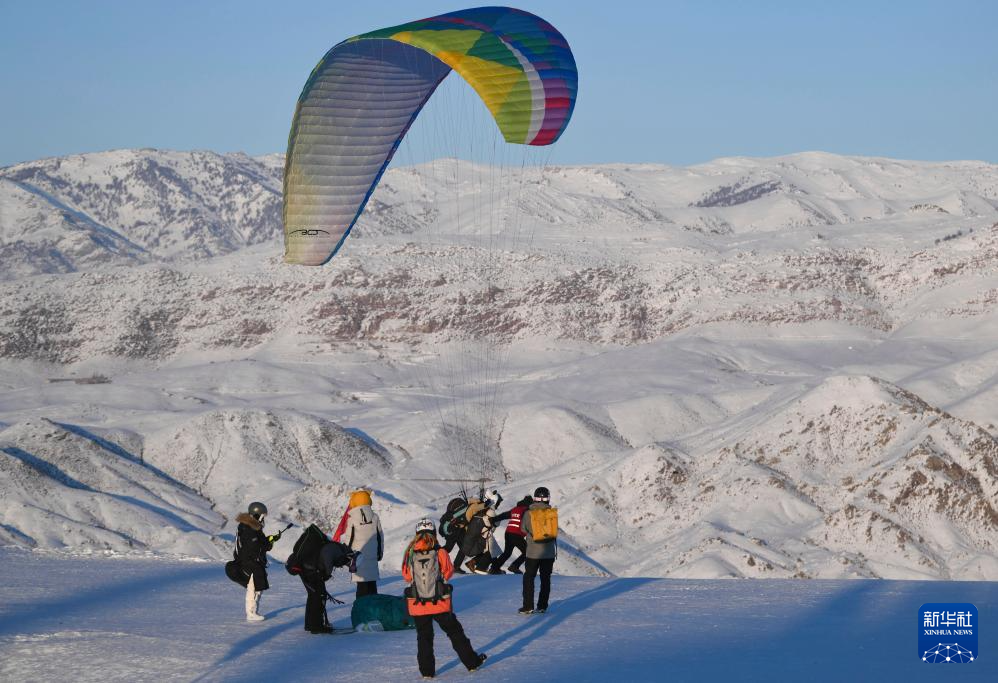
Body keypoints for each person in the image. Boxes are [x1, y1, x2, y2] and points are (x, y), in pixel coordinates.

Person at [402, 518, 487, 678]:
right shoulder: (440, 552)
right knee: (455, 632)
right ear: (434, 533)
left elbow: (406, 576)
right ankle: (472, 663)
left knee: (424, 636)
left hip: (418, 603)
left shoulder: (410, 552)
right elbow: (448, 571)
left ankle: (427, 672)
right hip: (439, 601)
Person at [235, 501, 277, 622]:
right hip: (249, 562)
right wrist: (267, 543)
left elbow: (262, 544)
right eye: (262, 516)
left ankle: (253, 611)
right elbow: (256, 547)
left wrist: (271, 540)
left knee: (257, 587)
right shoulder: (248, 528)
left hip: (253, 562)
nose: (263, 519)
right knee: (253, 587)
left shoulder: (253, 527)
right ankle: (251, 613)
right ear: (257, 515)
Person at [519, 487, 557, 615]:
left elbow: (523, 530)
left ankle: (528, 606)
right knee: (545, 579)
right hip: (549, 553)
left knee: (529, 578)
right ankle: (542, 606)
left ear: (535, 498)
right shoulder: (551, 513)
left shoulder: (528, 513)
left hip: (533, 553)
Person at [341, 489, 384, 598]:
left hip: (358, 559)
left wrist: (346, 557)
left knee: (362, 588)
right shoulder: (375, 517)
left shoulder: (352, 520)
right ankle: (373, 612)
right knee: (372, 588)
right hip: (372, 557)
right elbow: (380, 538)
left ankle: (361, 612)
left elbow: (349, 540)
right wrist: (379, 554)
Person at [489, 495, 532, 574]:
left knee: (507, 553)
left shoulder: (515, 509)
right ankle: (514, 566)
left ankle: (494, 569)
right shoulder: (527, 510)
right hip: (517, 534)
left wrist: (493, 519)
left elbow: (504, 515)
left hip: (508, 533)